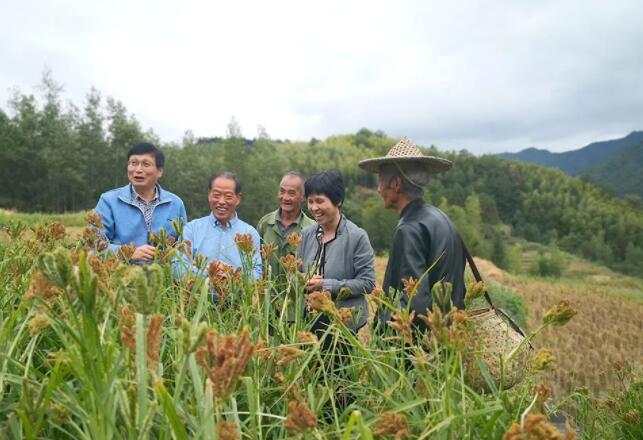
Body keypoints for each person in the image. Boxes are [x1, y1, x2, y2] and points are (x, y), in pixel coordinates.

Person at [358, 137, 466, 332]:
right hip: (450, 335)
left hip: (425, 345)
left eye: (381, 181)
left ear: (397, 184)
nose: (378, 189)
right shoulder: (439, 217)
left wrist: (387, 336)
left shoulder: (409, 228)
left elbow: (415, 300)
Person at [298, 170, 376, 333]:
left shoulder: (357, 237)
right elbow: (298, 273)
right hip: (309, 324)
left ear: (338, 201)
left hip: (343, 325)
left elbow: (367, 283)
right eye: (310, 201)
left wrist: (327, 285)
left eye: (320, 201)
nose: (314, 207)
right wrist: (303, 280)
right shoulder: (307, 235)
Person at [95, 142, 187, 261]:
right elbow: (93, 244)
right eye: (133, 163)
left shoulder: (175, 203)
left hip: (163, 275)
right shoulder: (109, 201)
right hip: (121, 275)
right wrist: (127, 253)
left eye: (146, 164)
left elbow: (183, 246)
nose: (138, 170)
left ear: (159, 171)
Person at [178, 171, 262, 280]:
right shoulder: (191, 229)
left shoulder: (249, 233)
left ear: (238, 199)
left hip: (237, 296)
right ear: (209, 195)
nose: (221, 201)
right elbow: (179, 268)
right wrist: (210, 273)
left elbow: (257, 272)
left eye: (228, 196)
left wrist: (232, 276)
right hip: (197, 295)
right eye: (216, 195)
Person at [257, 171, 315, 281]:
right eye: (282, 191)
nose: (285, 197)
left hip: (297, 296)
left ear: (303, 197)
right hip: (268, 295)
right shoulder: (265, 223)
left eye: (291, 193)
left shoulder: (312, 228)